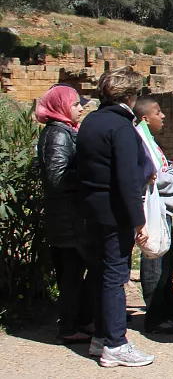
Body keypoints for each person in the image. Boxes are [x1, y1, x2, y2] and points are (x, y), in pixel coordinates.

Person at [76, 66, 155, 367]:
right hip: (114, 213)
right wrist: (138, 219)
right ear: (131, 95)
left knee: (99, 274)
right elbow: (125, 178)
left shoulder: (91, 122)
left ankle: (100, 336)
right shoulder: (121, 128)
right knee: (115, 277)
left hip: (91, 209)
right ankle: (115, 344)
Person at [36, 83, 94, 344]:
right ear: (60, 106)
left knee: (78, 272)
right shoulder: (58, 134)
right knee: (71, 275)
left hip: (71, 216)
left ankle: (80, 320)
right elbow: (57, 177)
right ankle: (69, 327)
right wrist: (91, 171)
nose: (80, 108)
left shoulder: (65, 131)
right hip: (68, 219)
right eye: (74, 104)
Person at [133, 97, 173, 335]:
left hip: (163, 210)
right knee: (155, 263)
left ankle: (167, 310)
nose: (162, 116)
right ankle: (155, 316)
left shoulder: (150, 141)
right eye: (158, 112)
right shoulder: (141, 141)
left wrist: (170, 168)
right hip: (154, 211)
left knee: (168, 263)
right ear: (145, 118)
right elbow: (153, 176)